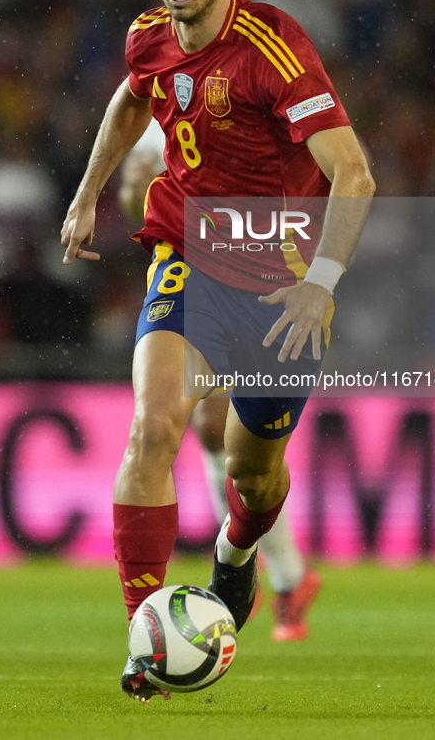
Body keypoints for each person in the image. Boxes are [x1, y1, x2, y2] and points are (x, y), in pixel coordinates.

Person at [61, 0, 375, 702]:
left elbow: (353, 173)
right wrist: (88, 192)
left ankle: (237, 556)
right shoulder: (147, 37)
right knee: (153, 425)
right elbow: (131, 99)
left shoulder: (273, 47)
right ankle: (144, 640)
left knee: (254, 475)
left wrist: (320, 285)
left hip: (279, 290)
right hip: (187, 260)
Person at [119, 119, 322, 643]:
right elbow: (132, 202)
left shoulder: (282, 95)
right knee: (201, 430)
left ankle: (275, 571)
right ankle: (267, 576)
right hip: (195, 280)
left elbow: (337, 186)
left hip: (271, 282)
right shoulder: (158, 101)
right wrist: (140, 190)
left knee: (252, 463)